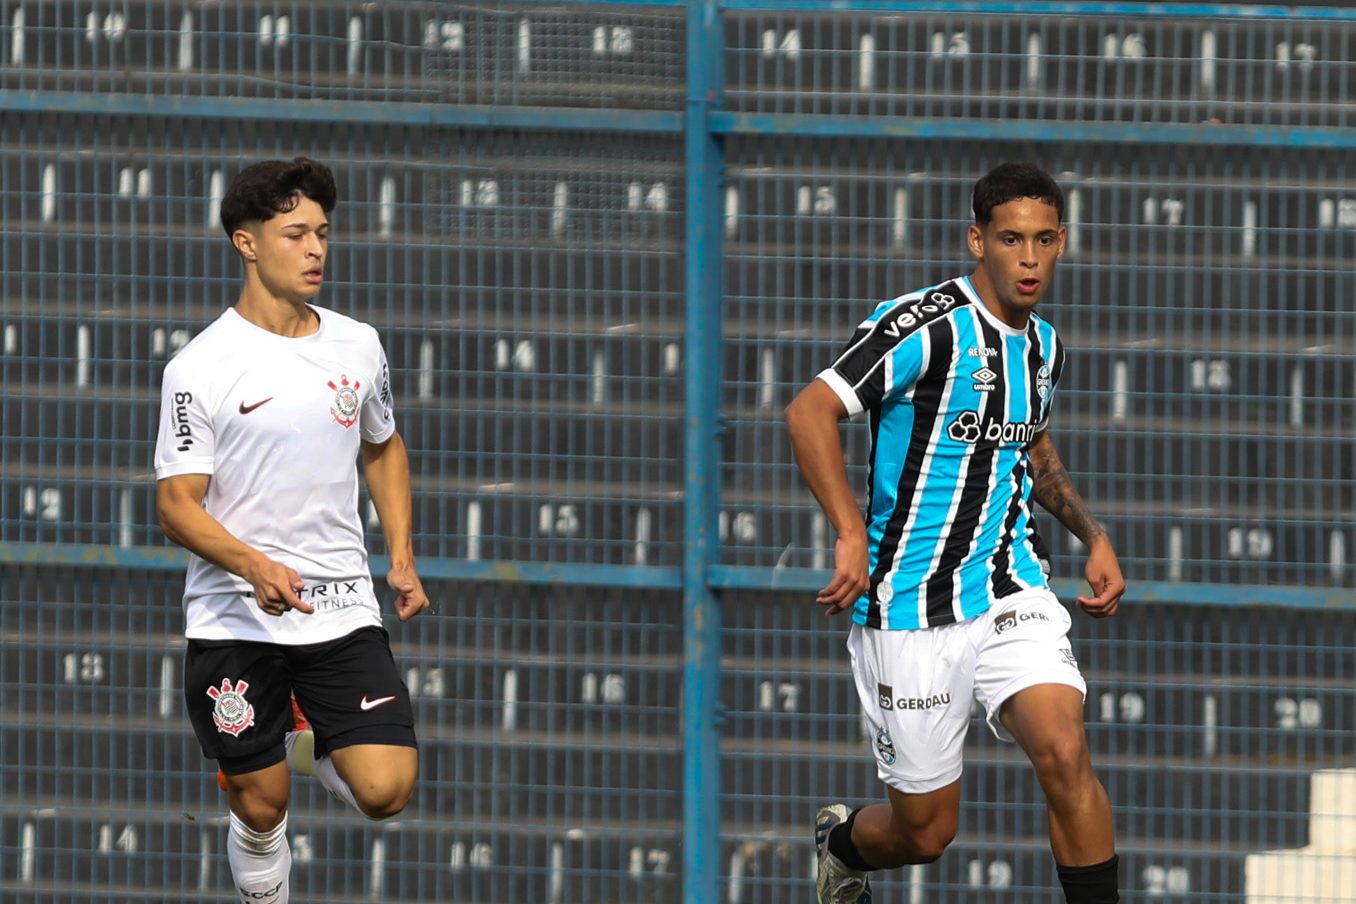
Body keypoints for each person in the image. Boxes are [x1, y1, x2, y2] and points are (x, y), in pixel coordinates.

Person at [786, 162, 1125, 904]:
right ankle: (843, 845)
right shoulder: (923, 325)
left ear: (1062, 242)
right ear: (978, 240)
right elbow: (808, 412)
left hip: (1007, 585)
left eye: (1043, 240)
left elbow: (1028, 444)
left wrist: (1090, 534)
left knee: (1065, 751)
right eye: (1011, 239)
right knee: (926, 834)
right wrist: (848, 532)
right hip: (907, 605)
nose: (1029, 258)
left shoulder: (1044, 347)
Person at [153, 157, 431, 904]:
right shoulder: (200, 367)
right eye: (295, 234)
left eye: (323, 234)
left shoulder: (357, 345)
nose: (316, 250)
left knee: (387, 789)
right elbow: (177, 505)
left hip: (339, 609)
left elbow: (382, 444)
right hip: (237, 617)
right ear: (247, 243)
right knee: (262, 805)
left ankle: (299, 736)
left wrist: (401, 555)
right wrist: (253, 565)